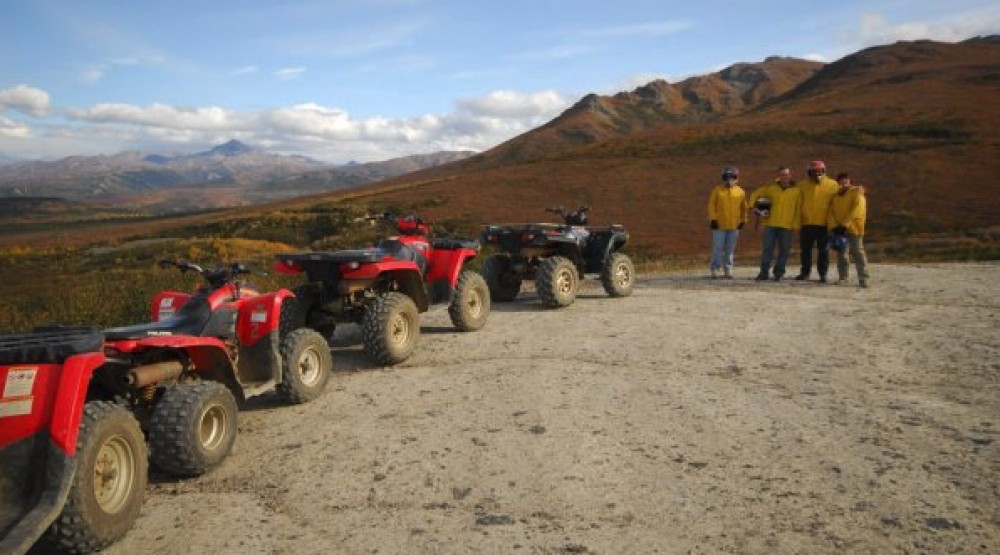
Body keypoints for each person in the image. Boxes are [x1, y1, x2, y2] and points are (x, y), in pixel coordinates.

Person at [749, 167, 802, 281]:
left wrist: (796, 225)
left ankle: (779, 273)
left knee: (784, 251)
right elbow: (756, 194)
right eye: (782, 175)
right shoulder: (771, 188)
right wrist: (753, 206)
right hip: (771, 224)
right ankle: (764, 273)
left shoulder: (796, 190)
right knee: (767, 249)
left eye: (786, 175)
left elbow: (798, 209)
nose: (784, 177)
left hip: (787, 226)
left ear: (790, 175)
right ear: (779, 176)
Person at [794, 160, 839, 282]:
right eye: (813, 171)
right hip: (806, 223)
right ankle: (805, 272)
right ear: (809, 172)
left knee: (823, 251)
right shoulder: (801, 185)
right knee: (805, 250)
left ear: (824, 171)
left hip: (824, 224)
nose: (816, 173)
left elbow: (840, 199)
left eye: (819, 171)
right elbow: (796, 202)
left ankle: (823, 274)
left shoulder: (833, 185)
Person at [827, 172, 870, 287]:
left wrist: (845, 224)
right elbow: (830, 212)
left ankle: (863, 278)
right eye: (840, 180)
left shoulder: (857, 193)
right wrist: (834, 226)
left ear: (850, 181)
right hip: (839, 230)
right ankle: (843, 277)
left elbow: (857, 209)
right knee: (842, 253)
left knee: (858, 252)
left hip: (854, 228)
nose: (843, 182)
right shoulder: (835, 196)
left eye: (845, 180)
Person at [706, 166, 748, 278]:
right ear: (723, 177)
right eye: (727, 177)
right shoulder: (717, 190)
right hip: (719, 225)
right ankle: (715, 268)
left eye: (732, 177)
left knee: (730, 249)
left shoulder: (740, 192)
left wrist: (743, 220)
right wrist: (713, 219)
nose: (730, 179)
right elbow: (711, 205)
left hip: (734, 225)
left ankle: (728, 269)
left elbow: (744, 207)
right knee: (718, 248)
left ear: (736, 177)